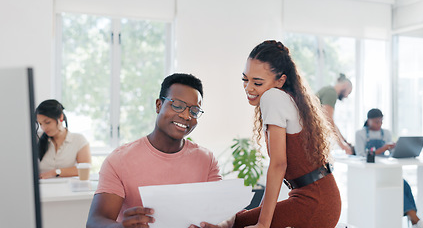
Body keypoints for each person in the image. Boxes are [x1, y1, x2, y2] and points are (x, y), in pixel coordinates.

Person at [194, 40, 341, 228]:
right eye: (245, 79)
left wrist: (263, 224)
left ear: (280, 80)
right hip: (320, 198)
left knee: (234, 224)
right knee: (236, 222)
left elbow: (279, 164)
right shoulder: (289, 98)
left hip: (314, 203)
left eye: (257, 82)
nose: (248, 88)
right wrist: (259, 217)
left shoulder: (273, 97)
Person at [86, 73, 222, 228]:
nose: (186, 116)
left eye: (194, 111)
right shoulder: (119, 159)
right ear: (158, 105)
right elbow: (95, 222)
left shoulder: (207, 160)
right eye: (177, 105)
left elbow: (221, 213)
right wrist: (121, 227)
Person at [355, 108, 423, 228]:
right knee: (399, 186)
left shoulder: (386, 133)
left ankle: (414, 220)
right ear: (368, 121)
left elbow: (389, 155)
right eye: (376, 122)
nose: (379, 124)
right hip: (370, 173)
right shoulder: (360, 134)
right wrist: (381, 149)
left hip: (385, 170)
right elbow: (361, 154)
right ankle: (415, 220)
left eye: (381, 121)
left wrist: (395, 149)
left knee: (404, 184)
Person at [36, 99, 91, 179]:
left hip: (67, 188)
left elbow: (85, 169)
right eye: (40, 124)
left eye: (47, 122)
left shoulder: (79, 140)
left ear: (61, 117)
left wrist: (55, 172)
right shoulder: (37, 139)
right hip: (41, 188)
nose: (44, 128)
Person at [316, 73, 353, 154]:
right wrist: (342, 146)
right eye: (348, 92)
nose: (346, 96)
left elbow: (331, 122)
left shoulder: (329, 90)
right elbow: (328, 120)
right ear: (345, 85)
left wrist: (344, 141)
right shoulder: (331, 93)